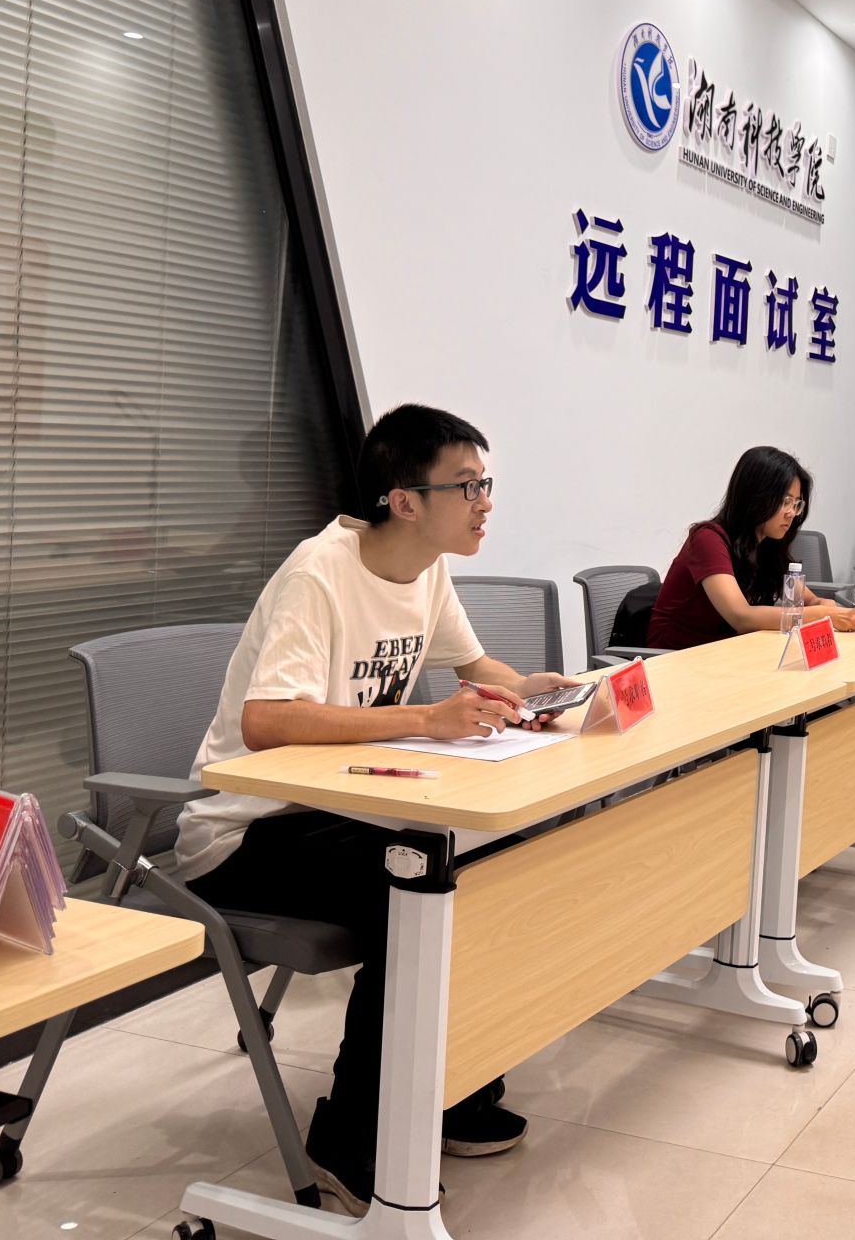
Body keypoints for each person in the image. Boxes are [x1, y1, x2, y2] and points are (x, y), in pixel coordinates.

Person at [175, 404, 583, 1215]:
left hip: (341, 809)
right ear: (404, 500)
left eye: (486, 484)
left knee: (488, 870)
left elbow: (473, 664)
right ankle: (349, 1134)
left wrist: (531, 691)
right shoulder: (320, 571)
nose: (484, 502)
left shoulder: (427, 568)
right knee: (420, 888)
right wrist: (426, 719)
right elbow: (268, 722)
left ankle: (452, 1090)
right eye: (466, 486)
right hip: (247, 831)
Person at [647, 445, 855, 650]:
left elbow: (808, 599)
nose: (791, 513)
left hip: (727, 652)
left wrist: (821, 603)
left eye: (796, 504)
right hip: (677, 657)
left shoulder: (767, 543)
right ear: (755, 496)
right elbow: (741, 616)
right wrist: (820, 614)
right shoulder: (707, 539)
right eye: (785, 501)